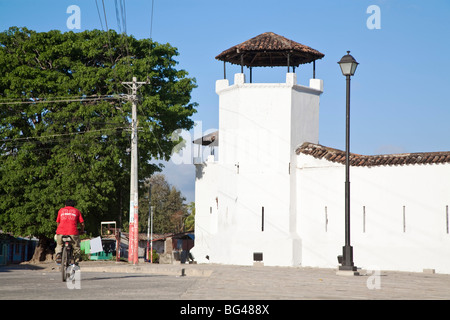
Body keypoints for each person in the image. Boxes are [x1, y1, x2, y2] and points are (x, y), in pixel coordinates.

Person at [55, 199, 85, 265]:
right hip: (73, 232)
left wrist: (58, 230)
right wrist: (82, 231)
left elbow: (58, 222)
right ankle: (76, 261)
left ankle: (58, 254)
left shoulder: (61, 210)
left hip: (60, 232)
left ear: (65, 205)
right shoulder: (77, 211)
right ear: (73, 206)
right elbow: (82, 223)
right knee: (76, 247)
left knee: (59, 245)